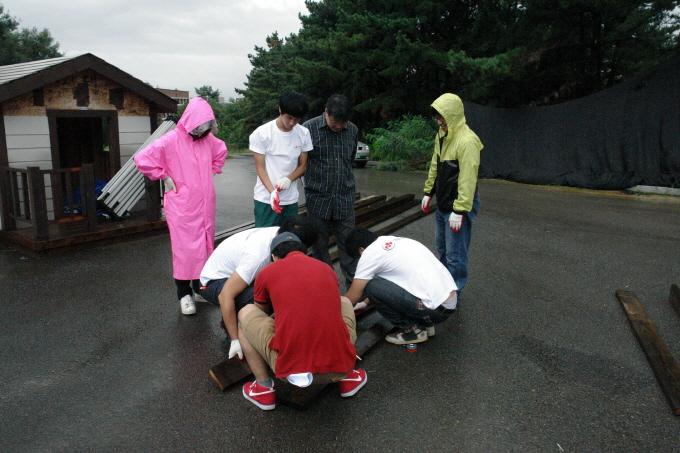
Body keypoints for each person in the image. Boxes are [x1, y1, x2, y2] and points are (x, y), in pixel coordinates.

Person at [239, 232, 367, 411]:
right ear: (303, 250)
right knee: (343, 301)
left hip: (291, 372)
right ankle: (348, 378)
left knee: (245, 313)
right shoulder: (325, 268)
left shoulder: (266, 272)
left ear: (274, 256)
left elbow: (261, 313)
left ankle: (263, 388)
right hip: (340, 368)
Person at [134, 97, 227, 316]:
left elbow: (221, 151)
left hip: (205, 204)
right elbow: (142, 158)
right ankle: (183, 294)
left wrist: (212, 171)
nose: (201, 131)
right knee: (185, 251)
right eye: (199, 126)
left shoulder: (208, 140)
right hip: (182, 205)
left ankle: (199, 289)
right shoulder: (171, 139)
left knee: (204, 247)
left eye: (205, 126)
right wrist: (164, 176)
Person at [199, 216, 318, 361]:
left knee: (283, 288)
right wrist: (235, 339)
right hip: (212, 282)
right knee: (263, 295)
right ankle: (235, 328)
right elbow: (225, 296)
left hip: (240, 276)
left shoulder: (281, 236)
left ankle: (249, 322)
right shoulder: (257, 257)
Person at [344, 227, 458, 345]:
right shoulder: (394, 241)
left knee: (371, 286)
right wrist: (365, 303)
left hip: (434, 311)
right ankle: (426, 325)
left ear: (361, 250)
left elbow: (352, 298)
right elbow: (394, 284)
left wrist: (339, 311)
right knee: (384, 283)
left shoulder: (370, 253)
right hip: (447, 304)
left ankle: (413, 331)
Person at [421, 93, 483, 296]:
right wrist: (429, 191)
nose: (440, 122)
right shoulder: (441, 135)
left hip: (458, 206)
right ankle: (443, 286)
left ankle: (453, 294)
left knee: (456, 255)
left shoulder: (467, 141)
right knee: (442, 248)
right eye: (437, 117)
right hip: (443, 203)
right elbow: (435, 165)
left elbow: (468, 179)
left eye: (443, 117)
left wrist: (460, 210)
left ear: (453, 115)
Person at [302, 94, 359, 289]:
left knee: (349, 244)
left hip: (344, 198)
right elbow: (302, 163)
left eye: (344, 123)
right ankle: (326, 287)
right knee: (319, 246)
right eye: (335, 122)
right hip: (318, 199)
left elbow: (350, 159)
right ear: (326, 112)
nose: (339, 126)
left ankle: (354, 290)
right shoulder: (308, 129)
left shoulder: (352, 130)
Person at [250, 91, 313, 227]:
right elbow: (260, 168)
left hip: (290, 199)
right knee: (265, 236)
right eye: (289, 118)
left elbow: (303, 165)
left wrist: (288, 179)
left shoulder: (303, 133)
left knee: (289, 236)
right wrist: (272, 192)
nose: (292, 123)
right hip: (265, 199)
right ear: (280, 110)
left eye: (296, 119)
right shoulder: (262, 133)